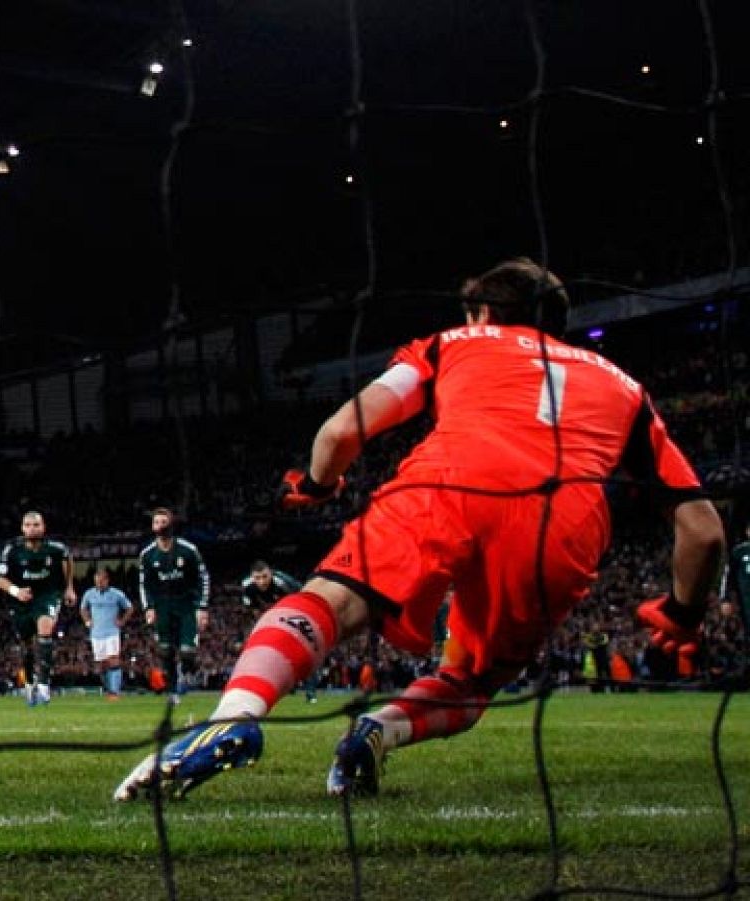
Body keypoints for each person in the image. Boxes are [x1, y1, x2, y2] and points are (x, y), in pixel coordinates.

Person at [115, 259, 724, 802]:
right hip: (562, 524)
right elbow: (704, 532)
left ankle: (237, 715)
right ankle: (379, 730)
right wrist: (682, 613)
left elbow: (340, 430)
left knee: (331, 602)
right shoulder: (624, 387)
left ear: (483, 312)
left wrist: (320, 484)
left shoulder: (451, 343)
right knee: (473, 678)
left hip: (448, 485)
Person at [0, 511, 77, 706]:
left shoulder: (56, 549)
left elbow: (68, 560)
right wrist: (16, 591)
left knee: (45, 629)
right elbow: (0, 579)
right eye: (28, 525)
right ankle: (29, 684)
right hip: (21, 600)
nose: (32, 529)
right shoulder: (12, 550)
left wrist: (69, 588)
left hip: (47, 595)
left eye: (36, 525)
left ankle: (43, 685)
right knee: (26, 645)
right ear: (22, 528)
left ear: (43, 527)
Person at [137, 508, 210, 702]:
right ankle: (172, 691)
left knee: (187, 651)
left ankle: (188, 673)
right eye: (156, 522)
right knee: (165, 650)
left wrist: (202, 607)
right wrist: (149, 608)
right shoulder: (147, 555)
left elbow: (203, 577)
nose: (160, 526)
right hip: (162, 606)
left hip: (186, 604)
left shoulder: (188, 550)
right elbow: (144, 584)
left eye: (163, 522)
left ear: (171, 525)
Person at [241, 560, 318, 702]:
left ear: (270, 573)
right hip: (274, 614)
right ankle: (288, 686)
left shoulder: (283, 583)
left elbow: (302, 599)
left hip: (297, 609)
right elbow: (253, 611)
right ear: (252, 578)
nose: (262, 581)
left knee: (303, 651)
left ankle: (311, 692)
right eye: (257, 578)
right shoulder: (247, 587)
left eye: (265, 576)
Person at [80, 568, 133, 699]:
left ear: (107, 580)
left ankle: (115, 692)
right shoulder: (89, 594)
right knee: (101, 665)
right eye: (96, 582)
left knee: (113, 660)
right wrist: (87, 620)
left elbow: (130, 608)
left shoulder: (117, 594)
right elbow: (83, 608)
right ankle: (109, 689)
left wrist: (122, 621)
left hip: (112, 632)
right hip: (96, 634)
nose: (99, 584)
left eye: (101, 581)